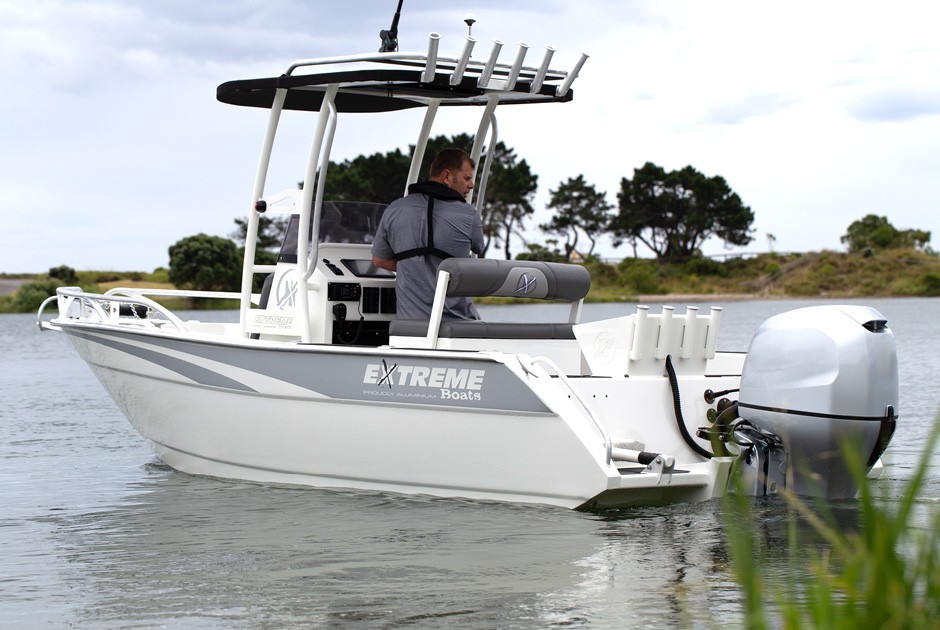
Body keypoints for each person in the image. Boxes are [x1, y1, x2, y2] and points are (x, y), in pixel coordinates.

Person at [372, 148, 485, 320]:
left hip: (411, 328)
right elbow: (479, 248)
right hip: (459, 326)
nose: (471, 185)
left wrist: (413, 267)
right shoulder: (469, 214)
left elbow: (379, 260)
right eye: (467, 178)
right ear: (447, 177)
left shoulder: (395, 209)